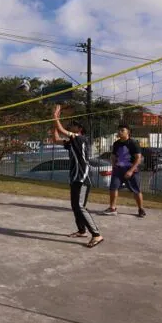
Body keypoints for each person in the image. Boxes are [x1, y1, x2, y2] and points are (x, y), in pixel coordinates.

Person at [53, 105, 104, 248]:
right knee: (75, 206)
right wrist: (54, 124)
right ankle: (82, 231)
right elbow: (56, 139)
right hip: (75, 178)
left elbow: (63, 131)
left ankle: (96, 235)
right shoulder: (72, 142)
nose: (72, 126)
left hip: (83, 178)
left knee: (80, 206)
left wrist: (56, 117)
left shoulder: (81, 138)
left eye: (75, 125)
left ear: (79, 129)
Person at [101, 124, 146, 217]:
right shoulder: (116, 143)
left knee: (136, 190)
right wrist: (114, 166)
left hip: (131, 169)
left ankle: (141, 209)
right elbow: (113, 156)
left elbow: (138, 158)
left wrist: (131, 171)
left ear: (128, 132)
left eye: (122, 130)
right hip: (118, 170)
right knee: (113, 188)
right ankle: (112, 208)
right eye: (119, 130)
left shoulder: (133, 143)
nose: (119, 132)